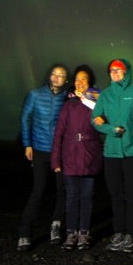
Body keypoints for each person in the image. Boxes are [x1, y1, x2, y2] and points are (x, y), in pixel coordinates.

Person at [91, 58, 133, 252]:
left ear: (127, 72)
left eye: (119, 70)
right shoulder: (106, 95)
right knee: (116, 195)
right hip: (112, 152)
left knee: (132, 195)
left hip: (132, 152)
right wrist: (111, 129)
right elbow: (95, 120)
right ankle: (118, 232)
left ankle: (132, 235)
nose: (115, 73)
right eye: (111, 70)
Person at [50, 65, 104, 250]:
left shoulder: (97, 103)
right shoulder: (68, 104)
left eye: (84, 79)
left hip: (90, 154)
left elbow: (103, 125)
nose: (79, 82)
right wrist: (56, 159)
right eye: (77, 79)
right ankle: (71, 233)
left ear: (90, 82)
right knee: (72, 196)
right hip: (70, 155)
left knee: (87, 196)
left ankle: (84, 233)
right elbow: (59, 133)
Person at [17, 63, 69, 251]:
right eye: (54, 74)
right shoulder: (35, 94)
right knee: (38, 190)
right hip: (39, 148)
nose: (57, 77)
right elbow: (25, 118)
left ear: (65, 80)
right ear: (49, 76)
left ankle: (56, 226)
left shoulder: (67, 98)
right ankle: (24, 232)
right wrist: (27, 144)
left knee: (62, 190)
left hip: (60, 151)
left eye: (61, 75)